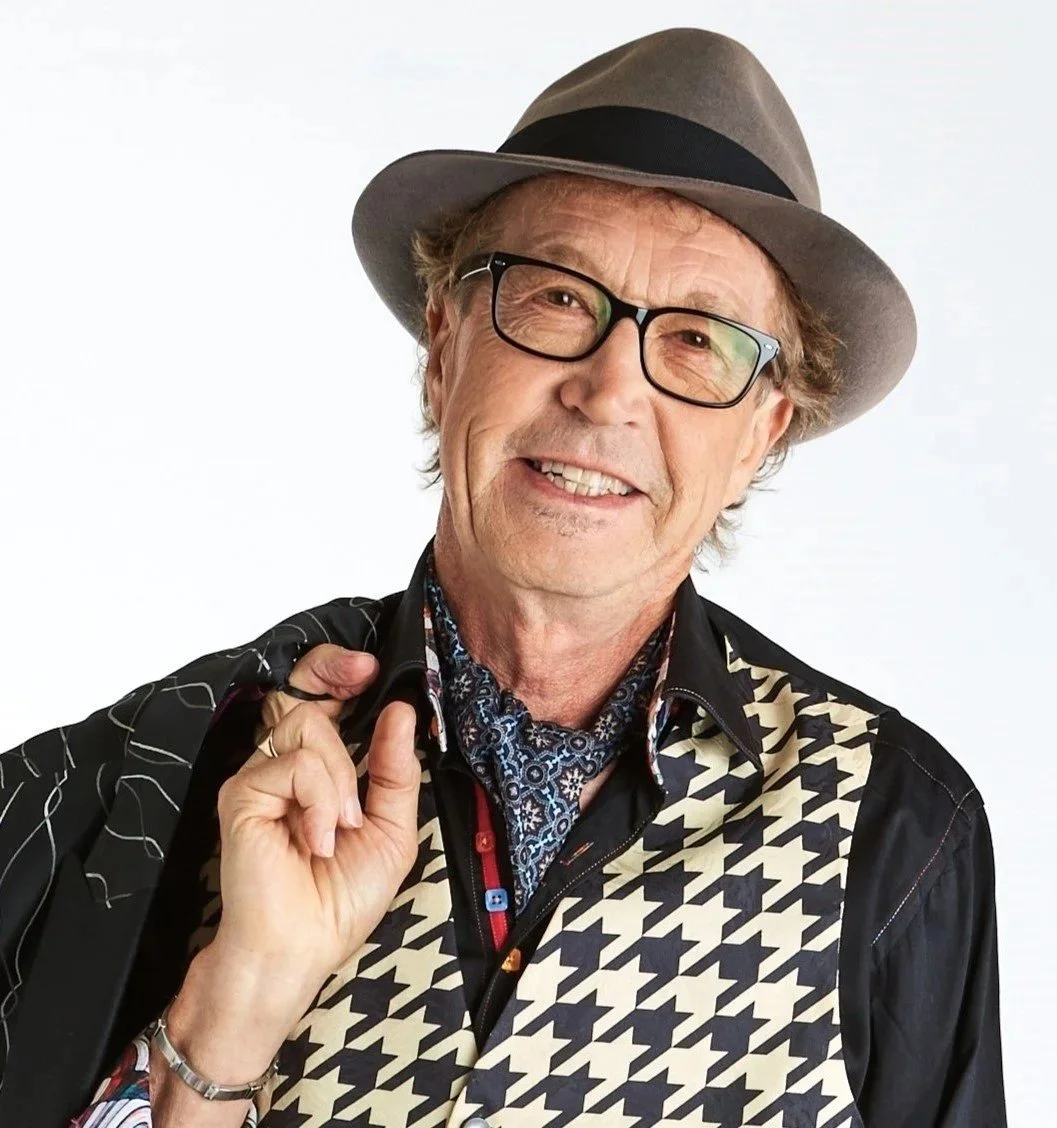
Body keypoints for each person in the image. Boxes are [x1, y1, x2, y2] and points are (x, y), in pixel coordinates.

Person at [0, 26, 1005, 1128]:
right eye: (556, 298)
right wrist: (235, 1006)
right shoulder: (183, 779)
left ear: (761, 434)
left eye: (696, 341)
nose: (608, 393)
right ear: (443, 346)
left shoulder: (892, 825)